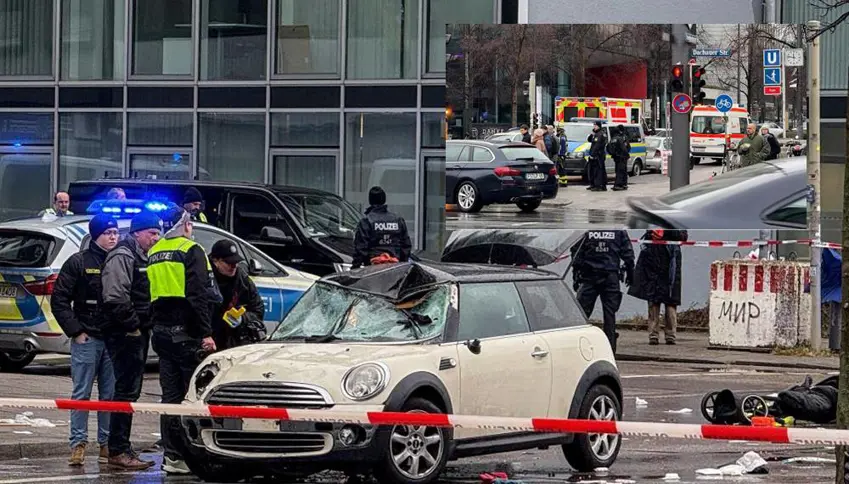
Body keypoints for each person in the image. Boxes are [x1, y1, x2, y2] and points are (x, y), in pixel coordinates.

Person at [147, 206, 218, 474]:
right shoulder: (192, 250)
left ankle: (173, 456)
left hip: (162, 333)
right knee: (193, 397)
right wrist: (206, 333)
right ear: (186, 224)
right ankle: (194, 454)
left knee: (170, 397)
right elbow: (198, 295)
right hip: (187, 333)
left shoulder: (154, 252)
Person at [50, 214, 119, 466]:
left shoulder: (120, 260)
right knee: (81, 394)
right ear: (96, 235)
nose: (113, 237)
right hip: (87, 338)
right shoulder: (78, 262)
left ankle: (107, 444)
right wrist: (76, 331)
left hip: (112, 339)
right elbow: (59, 300)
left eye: (115, 233)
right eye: (108, 233)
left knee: (110, 396)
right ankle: (78, 444)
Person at [100, 211, 163, 470]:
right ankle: (118, 449)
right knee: (125, 390)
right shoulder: (124, 255)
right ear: (138, 232)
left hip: (133, 330)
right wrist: (134, 326)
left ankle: (120, 447)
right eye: (152, 233)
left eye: (158, 233)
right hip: (124, 333)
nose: (156, 238)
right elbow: (115, 297)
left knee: (129, 390)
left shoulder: (139, 255)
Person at [570, 229, 635, 353]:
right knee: (610, 315)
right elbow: (628, 254)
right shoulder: (618, 230)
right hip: (610, 276)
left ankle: (577, 347)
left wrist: (576, 275)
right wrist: (631, 274)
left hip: (589, 276)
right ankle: (610, 349)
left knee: (582, 315)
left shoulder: (586, 229)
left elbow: (576, 252)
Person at [627, 229, 688, 345]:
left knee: (670, 301)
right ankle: (653, 335)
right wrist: (652, 234)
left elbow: (683, 236)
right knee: (653, 299)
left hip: (671, 264)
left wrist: (664, 233)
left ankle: (670, 335)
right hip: (653, 262)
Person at [209, 239, 266, 351]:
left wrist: (242, 319)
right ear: (216, 261)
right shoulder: (204, 277)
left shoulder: (242, 279)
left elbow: (258, 310)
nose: (233, 266)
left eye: (236, 262)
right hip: (209, 339)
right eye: (229, 263)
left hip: (233, 340)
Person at [352, 187, 412, 269]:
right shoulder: (398, 220)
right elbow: (406, 246)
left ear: (370, 201)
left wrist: (355, 268)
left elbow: (361, 249)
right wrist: (402, 264)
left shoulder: (366, 221)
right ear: (384, 199)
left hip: (373, 268)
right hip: (395, 266)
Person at [586, 121, 608, 191]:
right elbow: (589, 140)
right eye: (594, 125)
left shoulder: (600, 134)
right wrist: (592, 134)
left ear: (599, 126)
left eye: (595, 126)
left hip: (598, 155)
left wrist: (592, 154)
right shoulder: (596, 134)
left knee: (598, 171)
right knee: (592, 171)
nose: (594, 127)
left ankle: (599, 185)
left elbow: (597, 145)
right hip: (594, 155)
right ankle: (593, 184)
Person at [610, 125, 631, 191]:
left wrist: (613, 154)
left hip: (618, 157)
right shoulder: (622, 137)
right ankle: (622, 184)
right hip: (622, 156)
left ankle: (619, 184)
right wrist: (626, 154)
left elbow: (609, 147)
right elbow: (627, 147)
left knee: (620, 171)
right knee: (622, 171)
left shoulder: (614, 138)